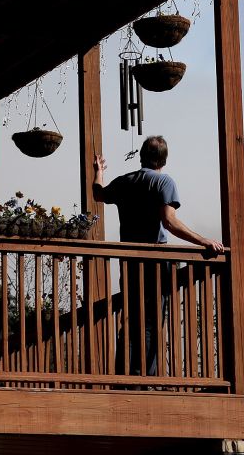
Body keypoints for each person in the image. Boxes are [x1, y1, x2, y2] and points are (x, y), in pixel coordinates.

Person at [92, 135, 223, 376]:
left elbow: (98, 194)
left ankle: (125, 375)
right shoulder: (164, 182)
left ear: (141, 156)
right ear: (163, 160)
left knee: (130, 321)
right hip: (154, 263)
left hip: (129, 263)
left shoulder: (125, 181)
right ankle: (144, 377)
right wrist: (203, 240)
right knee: (151, 322)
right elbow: (170, 222)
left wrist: (99, 171)